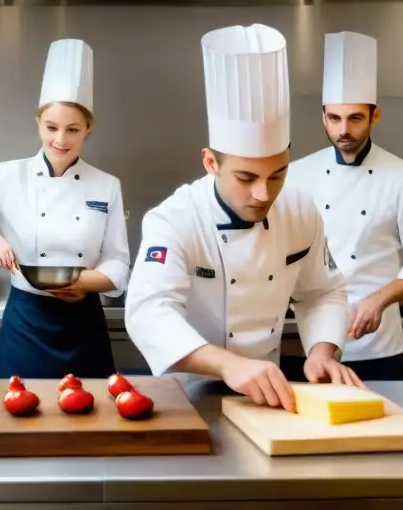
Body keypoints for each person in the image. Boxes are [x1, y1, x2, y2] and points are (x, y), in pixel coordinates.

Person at [125, 24, 362, 411]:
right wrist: (228, 365)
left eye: (278, 174)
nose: (263, 194)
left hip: (265, 397)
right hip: (186, 396)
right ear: (210, 163)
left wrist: (323, 351)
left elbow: (322, 291)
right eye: (246, 177)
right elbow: (147, 313)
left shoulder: (300, 209)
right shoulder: (175, 219)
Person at [0, 38, 130, 379]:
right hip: (27, 320)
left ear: (88, 130)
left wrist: (84, 282)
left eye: (73, 129)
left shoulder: (106, 185)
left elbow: (119, 263)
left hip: (84, 323)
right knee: (15, 414)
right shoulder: (10, 177)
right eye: (51, 128)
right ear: (38, 124)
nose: (60, 139)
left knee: (89, 421)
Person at [284, 31, 403, 381]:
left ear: (375, 117)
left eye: (355, 118)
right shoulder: (296, 175)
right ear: (323, 117)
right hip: (306, 341)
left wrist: (379, 299)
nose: (344, 130)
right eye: (335, 118)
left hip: (376, 344)